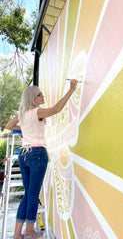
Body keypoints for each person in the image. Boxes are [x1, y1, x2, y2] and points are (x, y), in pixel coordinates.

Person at [5, 79, 78, 239]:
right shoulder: (37, 112)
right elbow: (57, 109)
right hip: (37, 154)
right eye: (40, 95)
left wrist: (23, 128)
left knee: (27, 195)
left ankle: (18, 235)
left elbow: (9, 126)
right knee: (32, 195)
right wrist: (72, 89)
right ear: (33, 98)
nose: (42, 96)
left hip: (23, 156)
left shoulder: (22, 114)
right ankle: (29, 234)